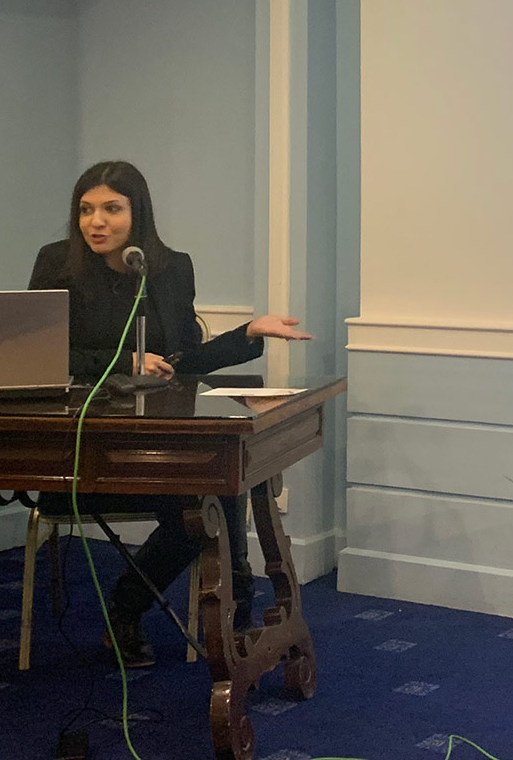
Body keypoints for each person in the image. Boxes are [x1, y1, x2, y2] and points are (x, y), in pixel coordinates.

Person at [28, 159, 309, 666]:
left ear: (138, 213)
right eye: (86, 210)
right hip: (80, 442)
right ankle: (221, 615)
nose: (96, 222)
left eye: (112, 209)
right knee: (207, 497)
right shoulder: (56, 264)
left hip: (154, 438)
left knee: (215, 488)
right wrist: (124, 362)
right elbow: (40, 354)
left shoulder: (171, 268)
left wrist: (246, 334)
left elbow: (183, 361)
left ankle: (159, 609)